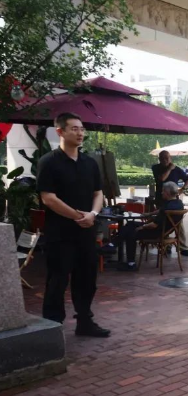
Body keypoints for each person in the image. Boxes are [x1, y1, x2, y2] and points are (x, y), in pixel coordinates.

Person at [37, 112, 110, 337]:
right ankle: (52, 327)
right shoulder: (48, 162)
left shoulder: (89, 163)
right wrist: (77, 216)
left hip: (86, 232)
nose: (80, 133)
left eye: (82, 129)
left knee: (87, 278)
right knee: (57, 280)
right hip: (60, 233)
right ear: (60, 131)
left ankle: (84, 322)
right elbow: (48, 198)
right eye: (74, 129)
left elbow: (98, 193)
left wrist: (93, 214)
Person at [116, 182, 184, 271]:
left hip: (156, 232)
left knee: (131, 233)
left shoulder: (166, 208)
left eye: (163, 191)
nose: (161, 193)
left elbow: (154, 225)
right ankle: (114, 243)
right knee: (130, 224)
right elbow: (160, 211)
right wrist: (149, 214)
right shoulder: (178, 203)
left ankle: (130, 263)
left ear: (167, 193)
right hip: (165, 230)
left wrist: (142, 227)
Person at [151, 150, 188, 257]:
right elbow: (162, 179)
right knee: (163, 222)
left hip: (174, 200)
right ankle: (166, 246)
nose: (165, 160)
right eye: (162, 158)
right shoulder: (156, 168)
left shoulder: (177, 169)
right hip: (161, 199)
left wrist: (182, 189)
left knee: (178, 223)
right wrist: (169, 169)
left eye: (167, 158)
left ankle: (182, 247)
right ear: (159, 159)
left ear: (170, 158)